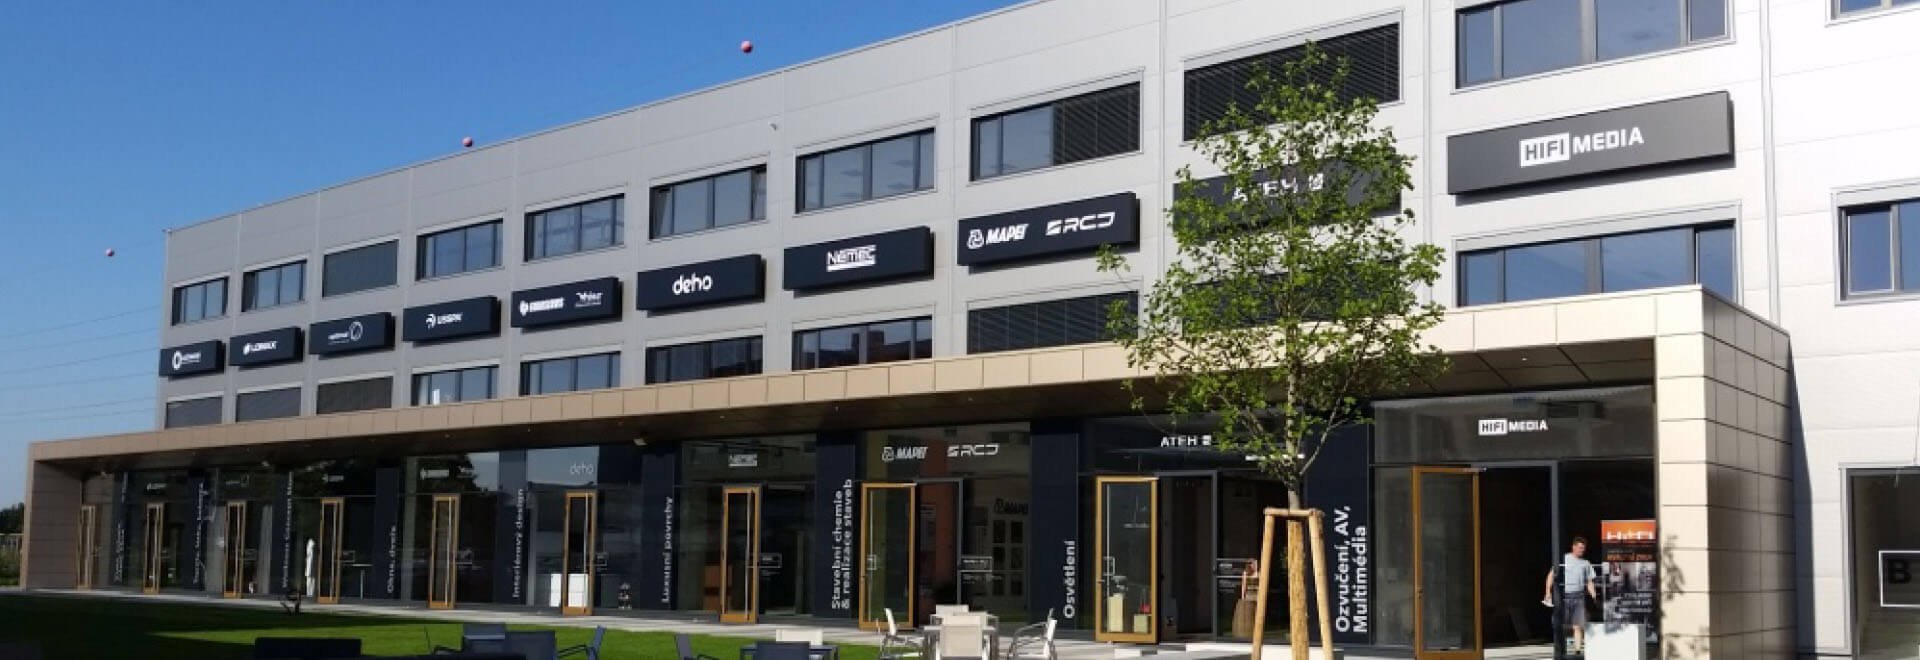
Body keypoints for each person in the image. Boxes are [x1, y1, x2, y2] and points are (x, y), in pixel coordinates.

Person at [1545, 536, 1597, 654]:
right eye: (1580, 548)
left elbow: (1589, 581)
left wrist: (1593, 593)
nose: (1582, 550)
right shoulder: (1563, 559)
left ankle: (1577, 650)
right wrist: (1548, 591)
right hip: (1564, 596)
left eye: (1583, 548)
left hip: (1579, 597)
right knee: (1559, 624)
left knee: (1577, 625)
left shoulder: (1586, 563)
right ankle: (1559, 649)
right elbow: (1551, 575)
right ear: (1573, 547)